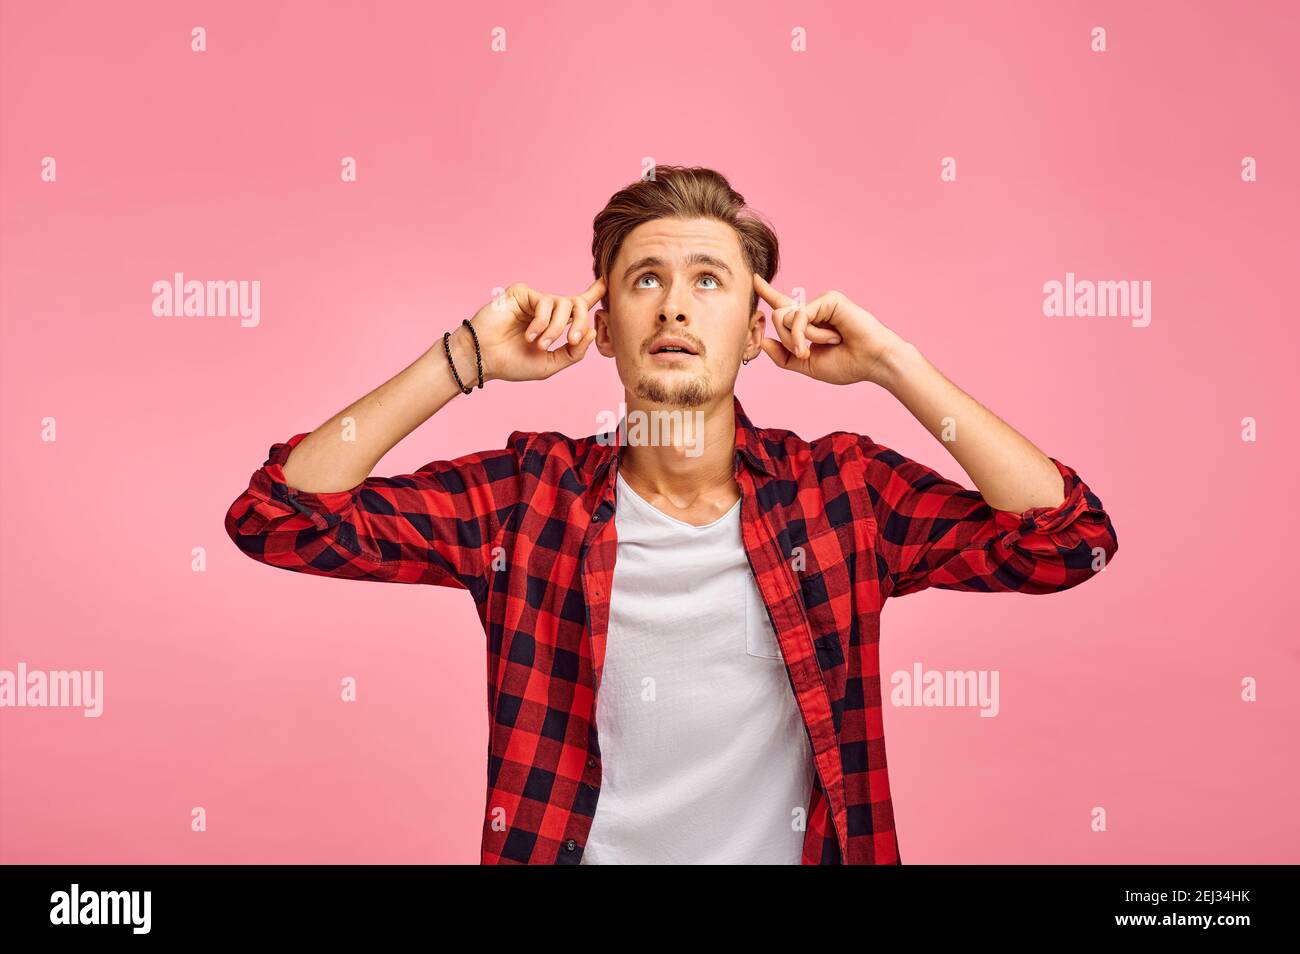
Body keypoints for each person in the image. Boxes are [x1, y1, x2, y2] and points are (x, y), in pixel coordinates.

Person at [224, 165, 1119, 864]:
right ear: (604, 324)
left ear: (758, 326)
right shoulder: (528, 498)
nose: (677, 304)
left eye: (709, 281)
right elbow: (279, 516)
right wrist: (463, 359)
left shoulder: (841, 494)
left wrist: (894, 364)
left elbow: (1069, 542)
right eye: (645, 279)